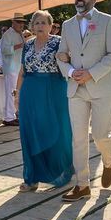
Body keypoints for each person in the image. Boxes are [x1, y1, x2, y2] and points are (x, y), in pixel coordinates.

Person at [56, 0, 111, 202]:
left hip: (102, 87)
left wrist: (91, 73)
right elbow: (61, 55)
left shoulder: (108, 20)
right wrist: (71, 71)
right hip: (76, 89)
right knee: (78, 138)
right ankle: (82, 184)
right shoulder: (67, 25)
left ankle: (108, 160)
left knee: (101, 136)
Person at [14, 10, 73, 192]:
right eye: (37, 23)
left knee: (57, 130)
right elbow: (22, 71)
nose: (40, 26)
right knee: (30, 133)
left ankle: (62, 172)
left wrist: (67, 57)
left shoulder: (59, 42)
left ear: (50, 25)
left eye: (43, 23)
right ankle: (31, 178)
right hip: (30, 91)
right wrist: (17, 95)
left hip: (54, 89)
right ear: (32, 26)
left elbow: (71, 62)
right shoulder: (28, 44)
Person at [0, 13, 27, 126]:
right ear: (13, 22)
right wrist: (19, 46)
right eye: (19, 22)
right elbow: (4, 50)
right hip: (11, 67)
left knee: (17, 93)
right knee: (11, 93)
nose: (21, 24)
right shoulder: (8, 34)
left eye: (22, 22)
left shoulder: (20, 34)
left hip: (18, 67)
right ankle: (8, 117)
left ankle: (13, 115)